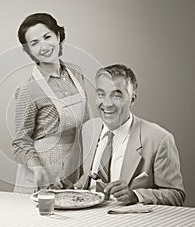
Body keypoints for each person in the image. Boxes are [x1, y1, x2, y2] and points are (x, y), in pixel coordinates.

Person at [74, 64, 185, 206]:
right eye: (101, 94)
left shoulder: (159, 139)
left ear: (132, 99)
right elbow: (84, 182)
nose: (107, 104)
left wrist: (136, 195)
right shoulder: (88, 129)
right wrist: (64, 185)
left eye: (117, 95)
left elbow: (176, 196)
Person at [12, 13, 90, 193]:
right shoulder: (27, 89)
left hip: (73, 168)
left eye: (47, 37)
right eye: (34, 43)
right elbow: (19, 143)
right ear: (28, 50)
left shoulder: (76, 74)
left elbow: (86, 123)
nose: (44, 46)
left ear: (59, 36)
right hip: (41, 172)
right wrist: (38, 168)